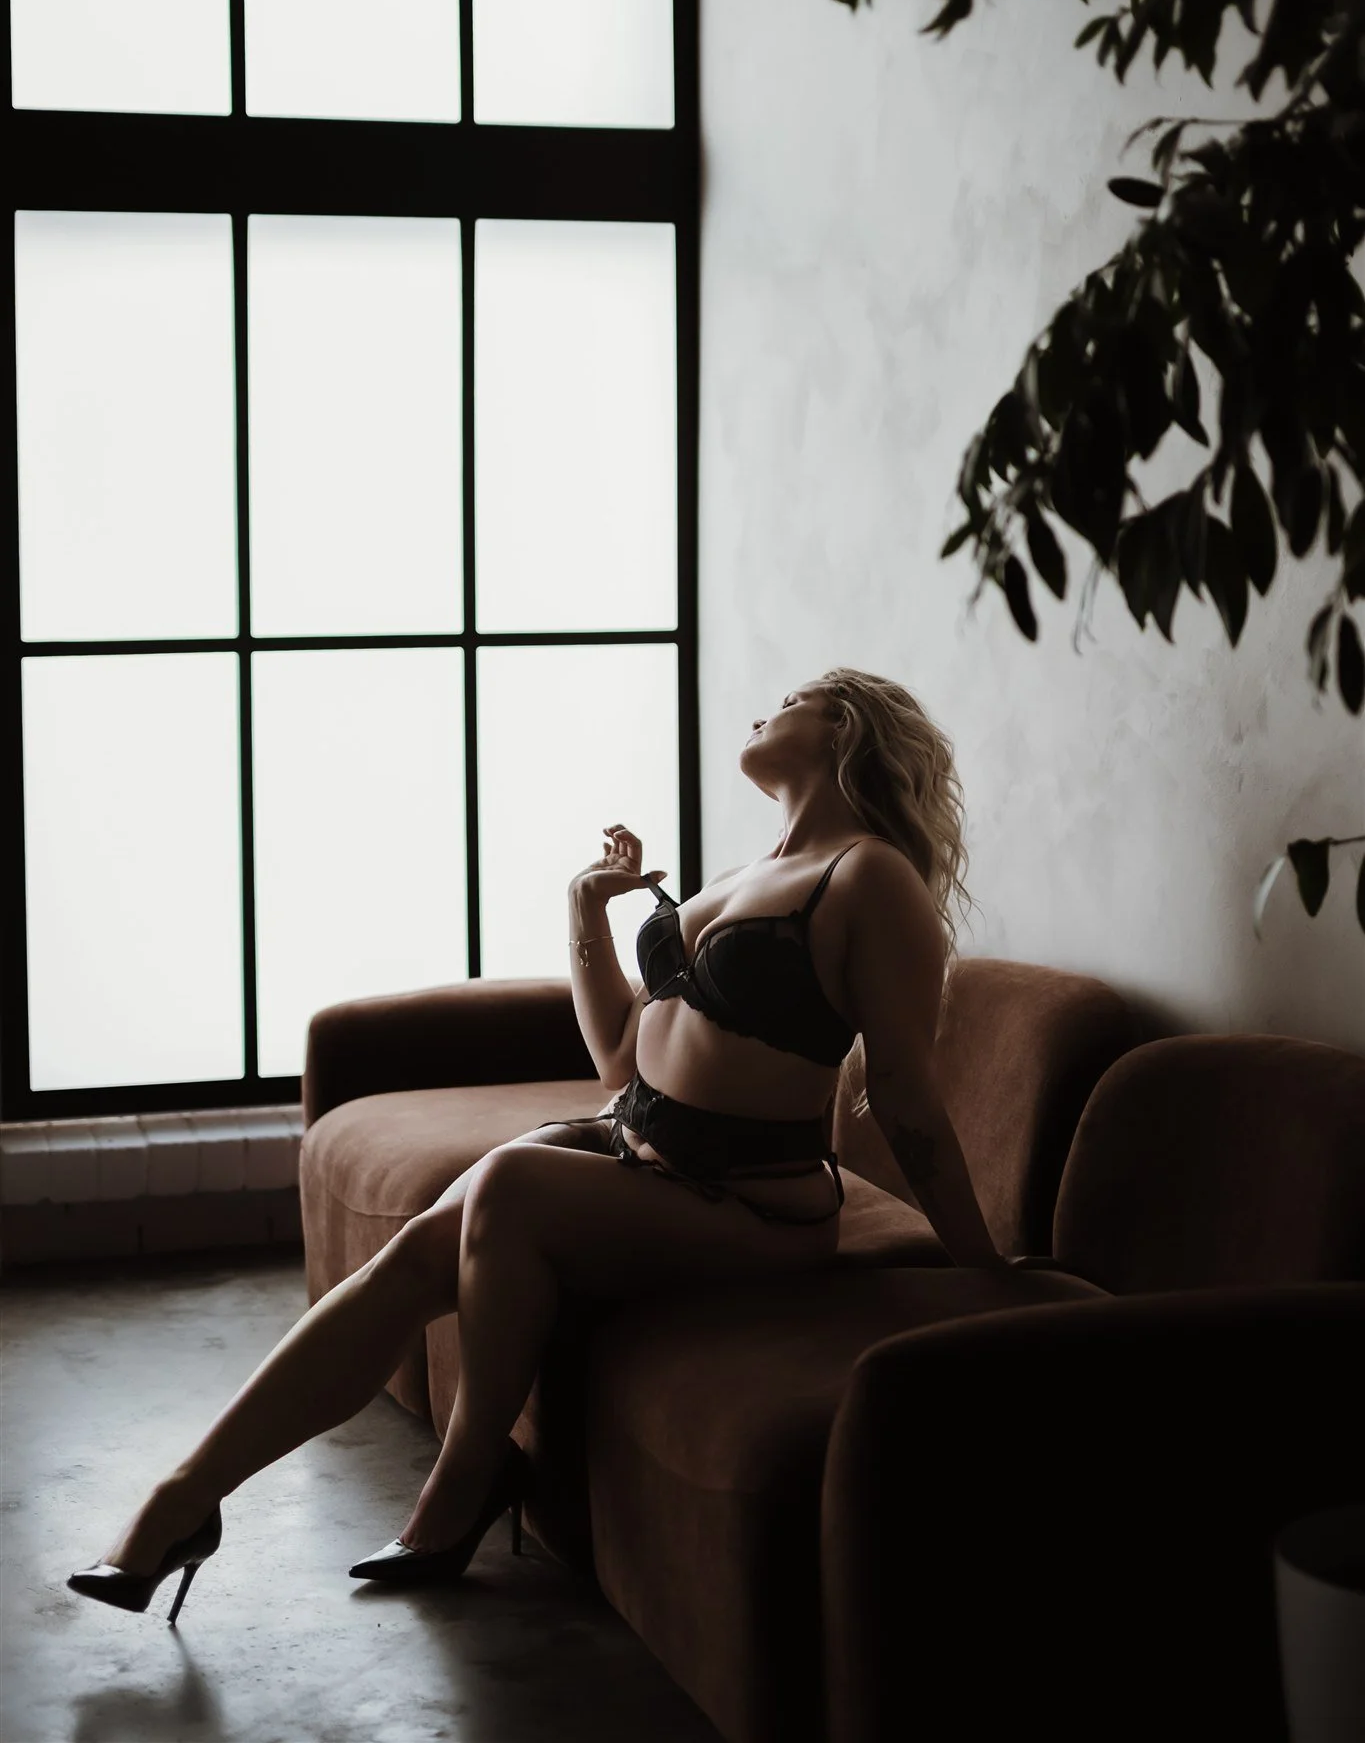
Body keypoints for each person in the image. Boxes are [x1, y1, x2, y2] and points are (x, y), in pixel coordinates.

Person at [67, 665, 1023, 1621]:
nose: (760, 712)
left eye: (788, 701)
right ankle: (185, 1498)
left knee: (509, 1184)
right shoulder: (741, 875)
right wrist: (585, 907)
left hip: (752, 1206)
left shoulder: (869, 877)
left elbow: (905, 1097)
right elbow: (617, 1057)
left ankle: (469, 1473)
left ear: (843, 724)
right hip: (633, 1143)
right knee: (416, 1258)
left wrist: (978, 1264)